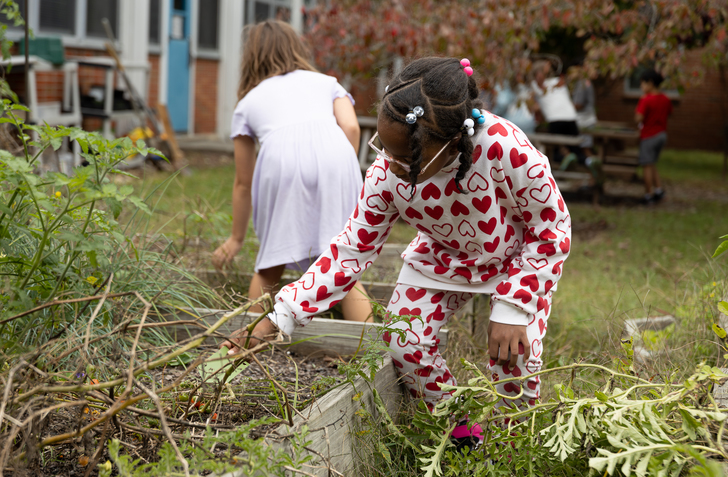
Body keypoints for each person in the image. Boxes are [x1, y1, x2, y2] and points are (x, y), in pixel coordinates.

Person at [225, 57, 571, 439]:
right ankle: (461, 432)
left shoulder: (505, 149)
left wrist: (513, 306)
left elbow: (551, 226)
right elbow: (350, 250)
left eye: (406, 157)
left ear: (452, 141)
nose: (391, 165)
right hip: (442, 260)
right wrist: (281, 315)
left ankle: (516, 448)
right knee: (404, 341)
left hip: (516, 262)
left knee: (513, 357)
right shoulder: (387, 173)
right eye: (384, 150)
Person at [212, 20, 372, 322]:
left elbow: (243, 182)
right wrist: (336, 166)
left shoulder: (248, 102)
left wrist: (236, 238)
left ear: (252, 57)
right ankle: (367, 355)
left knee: (270, 264)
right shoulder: (326, 82)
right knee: (342, 264)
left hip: (280, 163)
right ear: (296, 49)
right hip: (336, 155)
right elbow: (350, 126)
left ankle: (248, 341)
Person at [635, 69, 672, 204]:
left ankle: (648, 194)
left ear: (650, 83)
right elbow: (669, 113)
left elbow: (638, 118)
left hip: (649, 135)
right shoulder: (666, 99)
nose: (641, 88)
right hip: (662, 135)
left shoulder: (646, 100)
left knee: (646, 165)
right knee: (652, 163)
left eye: (643, 84)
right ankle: (659, 190)